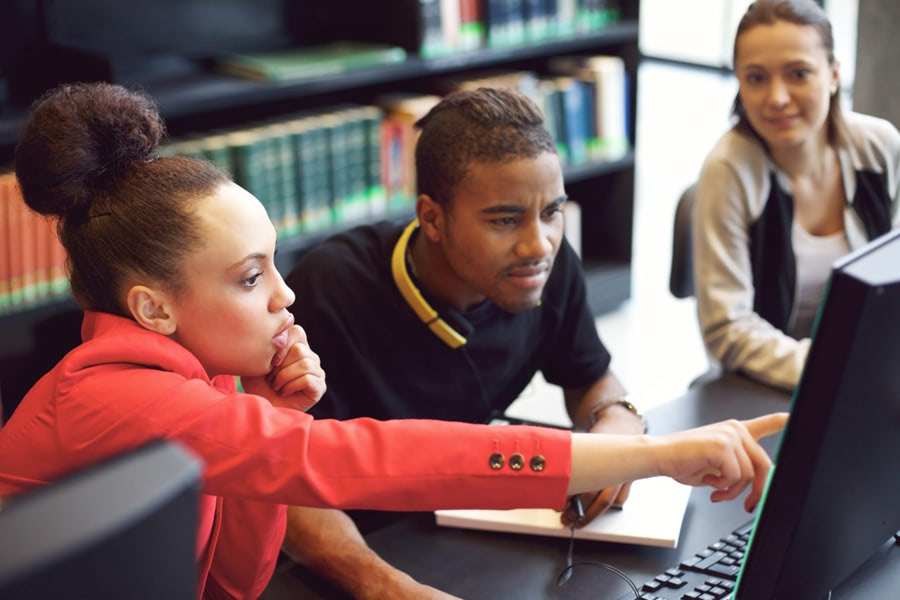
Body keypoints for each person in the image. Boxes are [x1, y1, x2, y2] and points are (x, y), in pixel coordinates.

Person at [0, 82, 786, 600]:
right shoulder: (117, 396)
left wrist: (273, 411)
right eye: (250, 278)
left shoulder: (196, 385)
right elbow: (373, 457)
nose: (286, 293)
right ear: (155, 308)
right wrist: (656, 455)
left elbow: (230, 584)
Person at [278, 87, 673, 598]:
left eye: (552, 212)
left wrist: (618, 422)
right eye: (505, 220)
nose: (539, 245)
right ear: (433, 218)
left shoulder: (545, 266)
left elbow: (589, 375)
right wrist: (385, 587)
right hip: (359, 547)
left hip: (466, 527)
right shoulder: (331, 288)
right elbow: (284, 481)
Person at [693, 0, 900, 391]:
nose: (777, 97)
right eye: (756, 78)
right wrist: (833, 366)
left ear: (834, 74)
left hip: (870, 372)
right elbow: (727, 329)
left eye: (799, 74)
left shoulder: (880, 147)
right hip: (765, 386)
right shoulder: (728, 171)